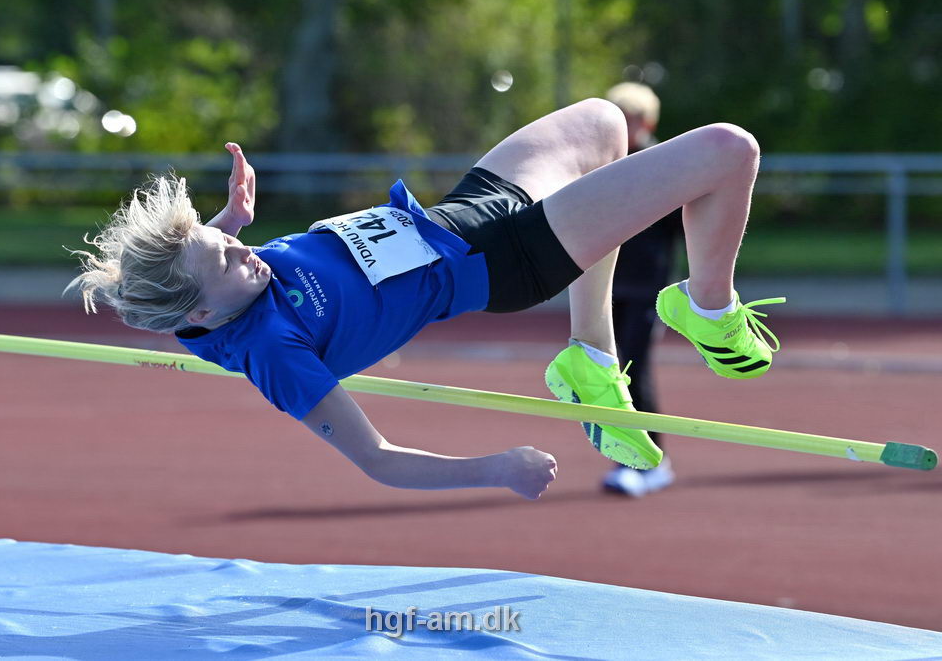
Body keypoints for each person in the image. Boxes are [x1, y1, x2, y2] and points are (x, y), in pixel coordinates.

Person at [68, 98, 784, 501]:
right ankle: (707, 307)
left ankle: (590, 354)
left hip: (465, 209)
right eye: (227, 255)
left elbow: (210, 275)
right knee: (729, 150)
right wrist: (495, 469)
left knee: (605, 123)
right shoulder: (274, 352)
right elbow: (378, 459)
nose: (243, 249)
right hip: (506, 261)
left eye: (230, 240)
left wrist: (225, 223)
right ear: (200, 310)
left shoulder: (220, 292)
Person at [596, 82, 682, 498]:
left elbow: (683, 226)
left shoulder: (664, 164)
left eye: (627, 119)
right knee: (605, 371)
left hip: (648, 287)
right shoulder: (598, 165)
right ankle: (632, 456)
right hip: (605, 285)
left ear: (646, 123)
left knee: (633, 370)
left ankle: (649, 461)